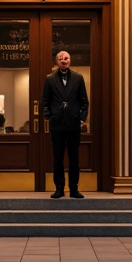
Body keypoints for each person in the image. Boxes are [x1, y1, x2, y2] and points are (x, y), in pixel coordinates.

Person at [41, 50, 88, 199]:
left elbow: (85, 102)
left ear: (70, 61)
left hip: (73, 125)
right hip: (57, 126)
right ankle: (59, 188)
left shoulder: (78, 78)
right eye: (60, 58)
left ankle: (74, 189)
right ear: (56, 61)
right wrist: (49, 116)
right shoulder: (49, 79)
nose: (63, 60)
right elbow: (45, 101)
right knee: (58, 158)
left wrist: (81, 118)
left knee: (74, 159)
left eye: (66, 58)